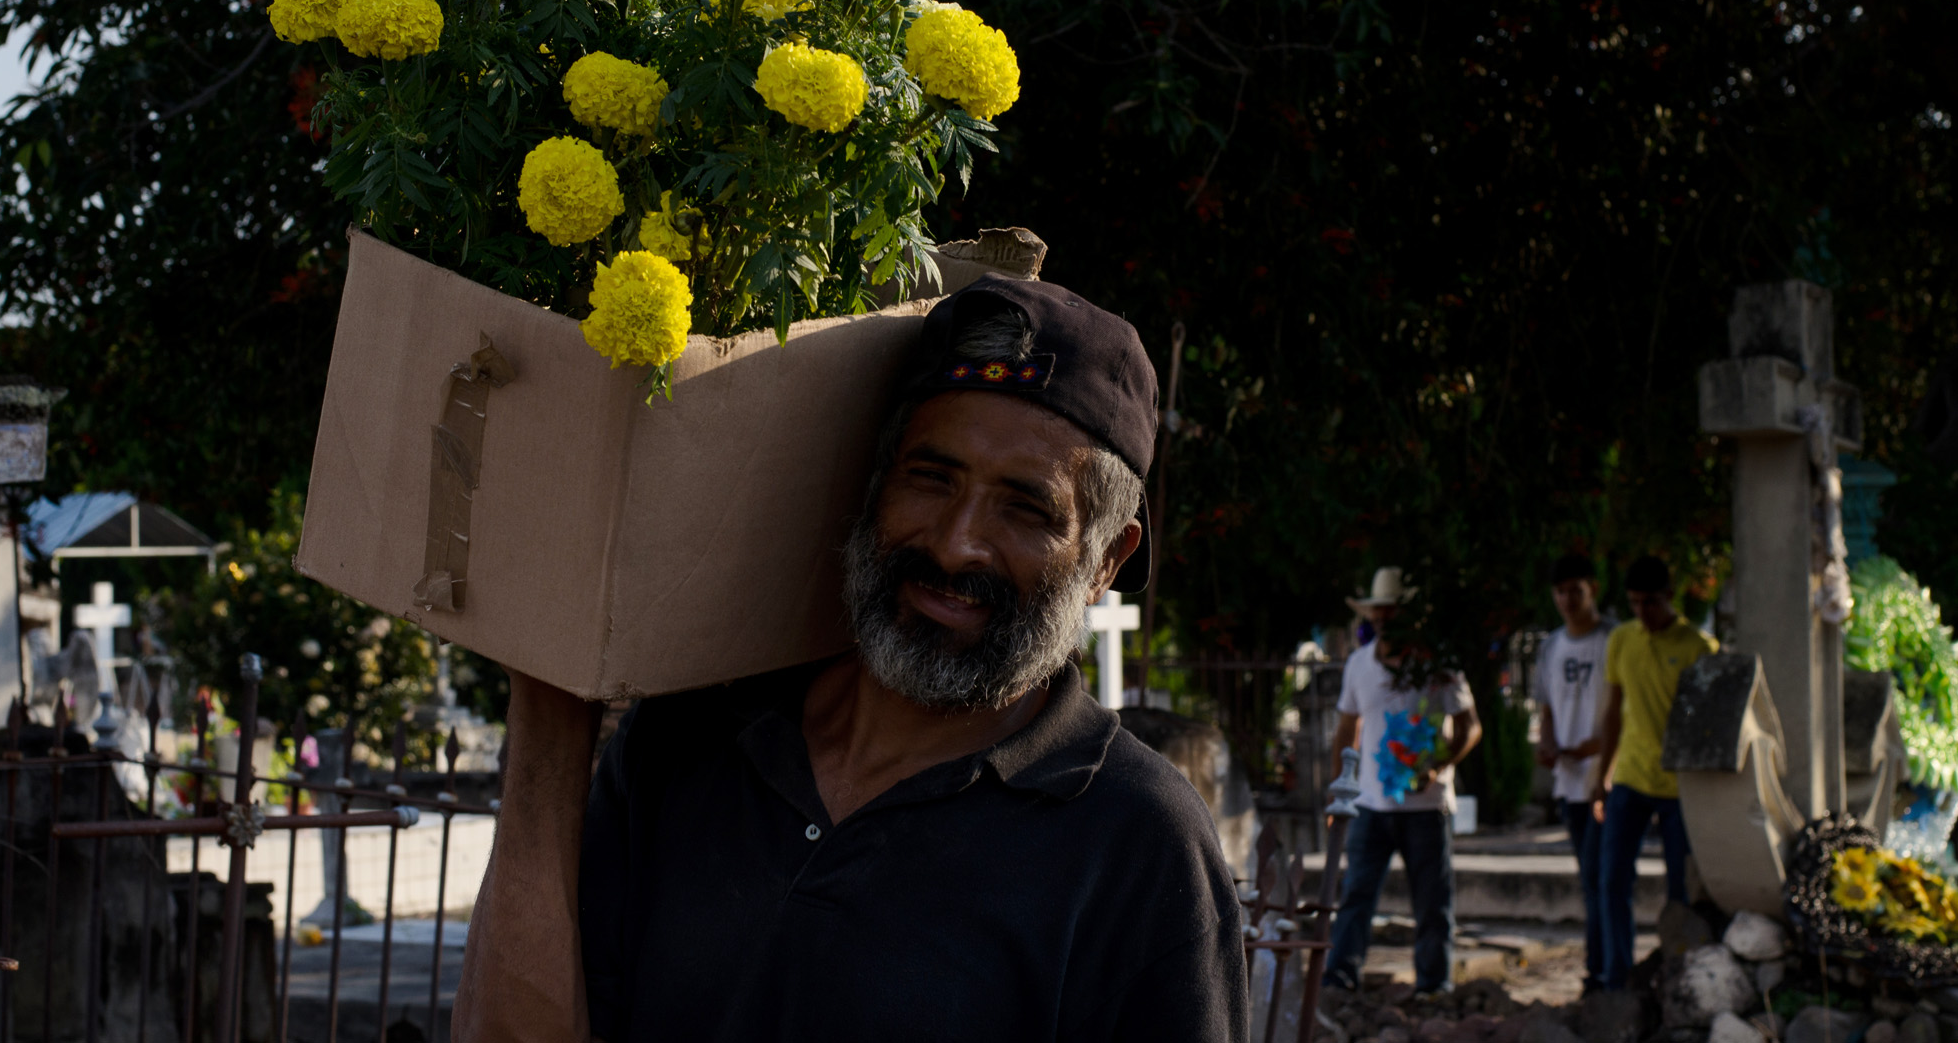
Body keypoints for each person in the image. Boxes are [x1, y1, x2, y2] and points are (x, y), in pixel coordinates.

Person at [455, 274, 1248, 1041]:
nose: (954, 541)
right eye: (931, 478)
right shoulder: (691, 736)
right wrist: (549, 698)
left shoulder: (1140, 846)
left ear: (1106, 559)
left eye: (1025, 507)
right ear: (870, 488)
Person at [1322, 568, 1482, 997]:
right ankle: (1339, 979)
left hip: (1427, 807)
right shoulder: (1359, 664)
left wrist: (1438, 766)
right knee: (1356, 896)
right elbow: (1345, 731)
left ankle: (1434, 985)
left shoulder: (1439, 664)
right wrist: (1340, 791)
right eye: (1379, 611)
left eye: (1393, 610)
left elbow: (1470, 727)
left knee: (1432, 904)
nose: (1384, 618)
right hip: (1370, 805)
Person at [1593, 553, 1717, 991]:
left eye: (1650, 603)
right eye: (1634, 603)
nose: (1643, 612)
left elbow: (1709, 726)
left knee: (1681, 891)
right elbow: (1613, 713)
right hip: (1630, 776)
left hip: (1680, 786)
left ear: (1669, 597)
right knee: (1611, 880)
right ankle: (1617, 976)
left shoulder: (1698, 649)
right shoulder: (1623, 640)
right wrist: (1600, 778)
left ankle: (1681, 976)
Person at [1532, 553, 1612, 995]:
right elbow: (1546, 707)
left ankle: (1607, 972)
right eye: (1560, 592)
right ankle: (1597, 970)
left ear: (1592, 589)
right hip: (1569, 782)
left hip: (1610, 778)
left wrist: (1600, 750)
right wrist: (1548, 745)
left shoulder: (1614, 640)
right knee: (1590, 881)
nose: (1567, 599)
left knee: (1606, 881)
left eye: (1575, 590)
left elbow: (1625, 713)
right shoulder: (1550, 647)